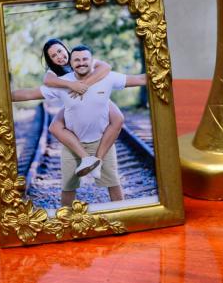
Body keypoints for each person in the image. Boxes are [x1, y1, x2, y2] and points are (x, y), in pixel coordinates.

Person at [12, 44, 146, 206]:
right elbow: (30, 93)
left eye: (84, 59)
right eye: (54, 56)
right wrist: (0, 95)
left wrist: (161, 72)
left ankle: (120, 209)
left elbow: (138, 78)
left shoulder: (105, 75)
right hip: (73, 141)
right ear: (70, 62)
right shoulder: (60, 81)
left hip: (101, 138)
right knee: (68, 186)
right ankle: (66, 215)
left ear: (90, 60)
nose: (80, 62)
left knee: (113, 181)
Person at [39, 38, 124, 177]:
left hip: (94, 96)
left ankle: (98, 159)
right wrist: (71, 85)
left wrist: (84, 85)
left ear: (65, 48)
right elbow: (47, 80)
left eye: (60, 51)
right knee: (54, 127)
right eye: (53, 56)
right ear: (50, 60)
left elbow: (106, 67)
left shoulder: (79, 57)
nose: (59, 56)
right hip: (74, 102)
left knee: (118, 118)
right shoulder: (53, 71)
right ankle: (86, 158)